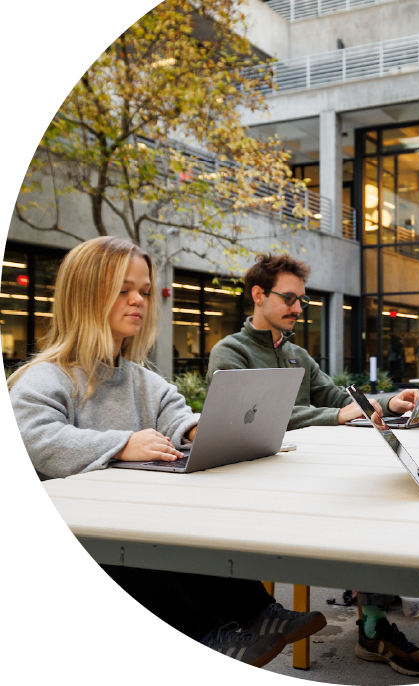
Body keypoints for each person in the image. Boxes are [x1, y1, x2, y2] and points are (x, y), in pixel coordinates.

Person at [8, 236, 326, 670]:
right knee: (141, 545)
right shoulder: (45, 378)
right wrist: (122, 443)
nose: (138, 300)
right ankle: (208, 634)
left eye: (143, 290)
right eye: (123, 289)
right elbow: (35, 440)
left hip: (127, 521)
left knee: (192, 526)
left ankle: (257, 613)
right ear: (83, 295)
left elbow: (175, 414)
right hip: (78, 542)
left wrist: (199, 430)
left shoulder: (142, 379)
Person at [207, 252, 419, 676]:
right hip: (260, 485)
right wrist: (337, 416)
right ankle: (380, 622)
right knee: (366, 502)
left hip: (303, 469)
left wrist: (388, 401)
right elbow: (262, 419)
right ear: (259, 295)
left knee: (380, 486)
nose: (298, 309)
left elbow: (335, 398)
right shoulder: (230, 353)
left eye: (302, 301)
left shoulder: (295, 354)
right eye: (290, 299)